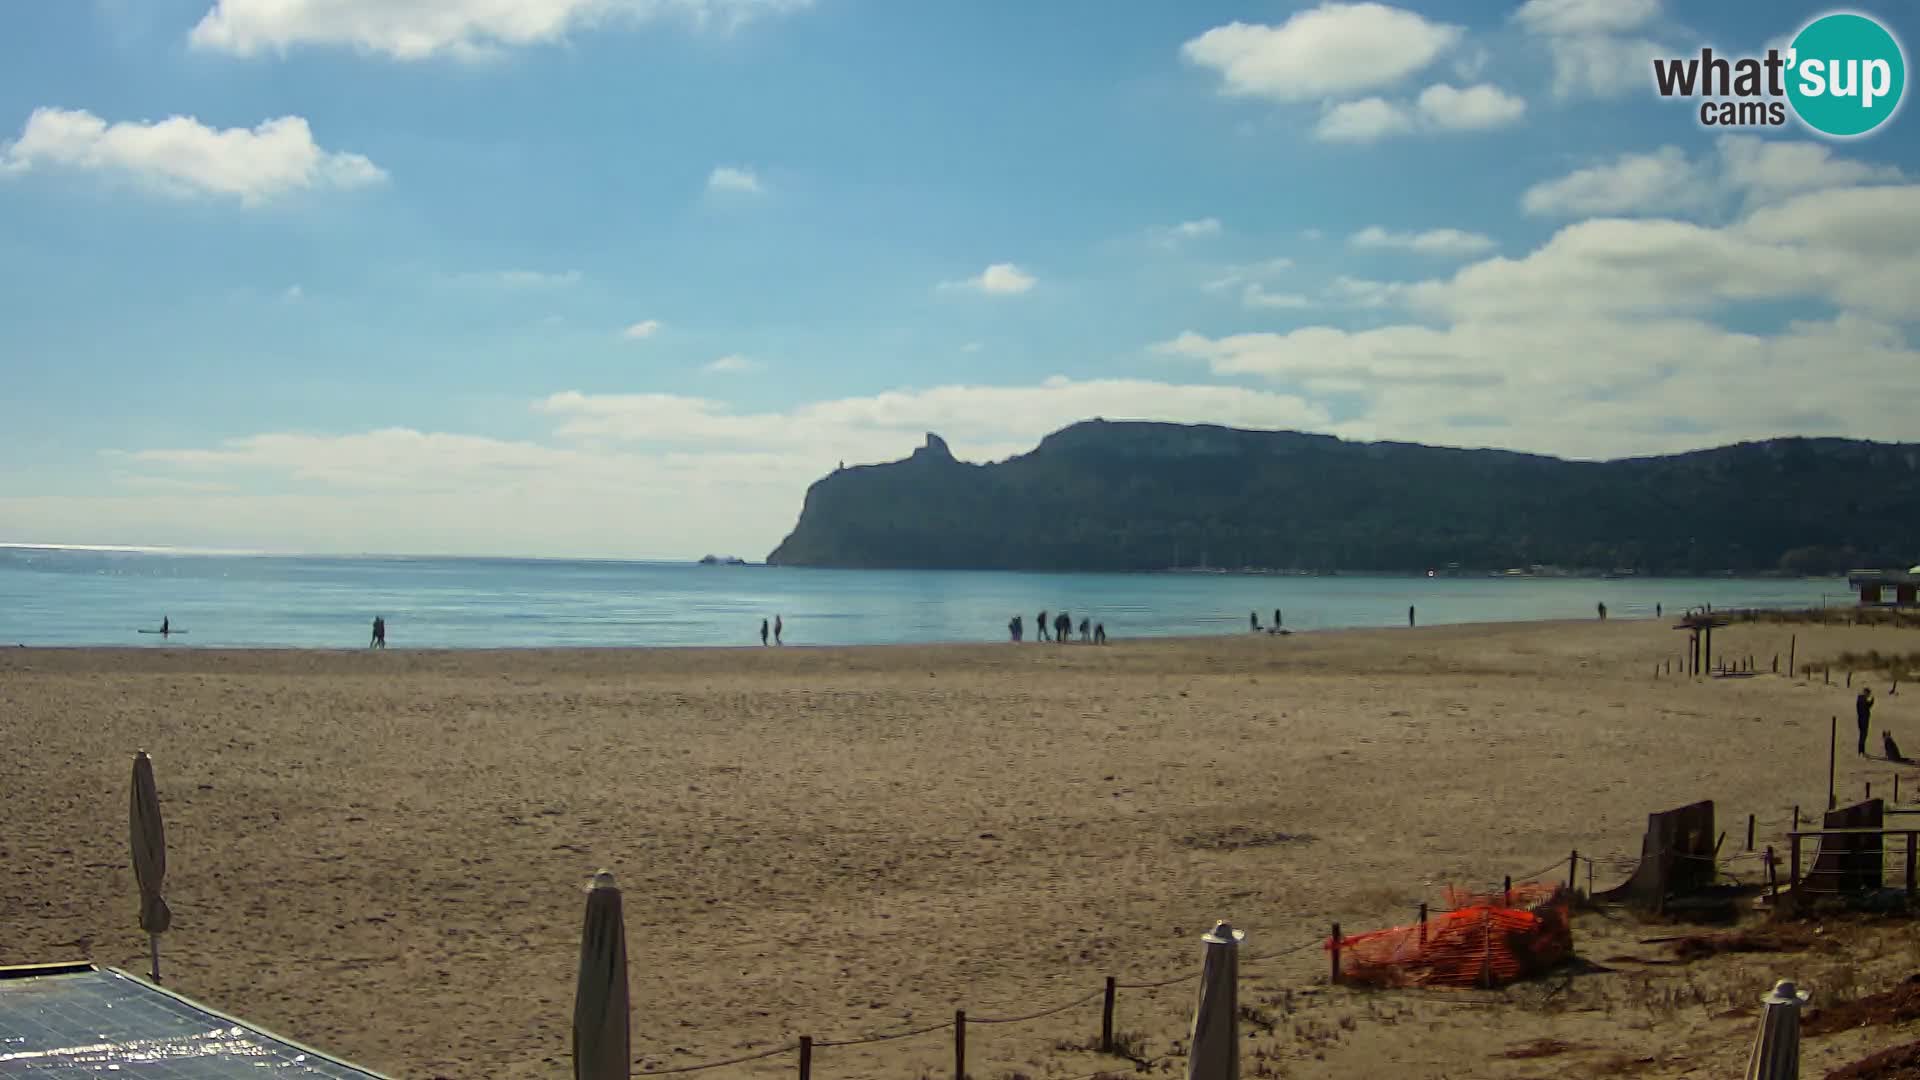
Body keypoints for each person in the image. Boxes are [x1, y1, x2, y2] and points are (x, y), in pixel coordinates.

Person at [1858, 687, 1875, 755]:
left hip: (1864, 719)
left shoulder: (1862, 699)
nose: (1868, 695)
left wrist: (1871, 702)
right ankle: (1861, 751)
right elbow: (1864, 708)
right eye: (1868, 694)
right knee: (1863, 735)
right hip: (1863, 720)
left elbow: (1867, 706)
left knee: (1864, 735)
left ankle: (1862, 750)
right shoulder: (1861, 699)